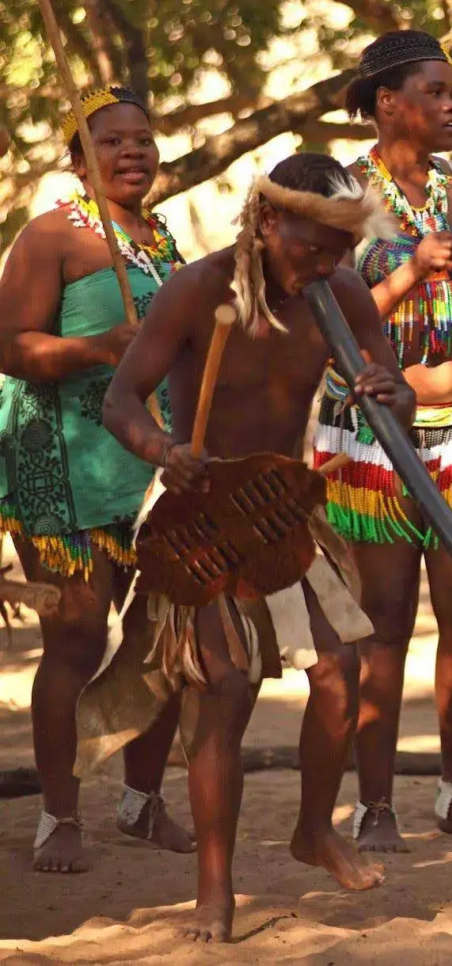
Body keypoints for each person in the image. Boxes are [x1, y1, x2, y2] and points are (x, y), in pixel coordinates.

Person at [89, 153, 412, 941]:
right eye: (314, 245)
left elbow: (390, 384)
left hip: (283, 512)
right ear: (269, 222)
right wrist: (163, 450)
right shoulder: (198, 291)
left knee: (341, 671)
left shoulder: (338, 293)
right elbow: (120, 399)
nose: (328, 262)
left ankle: (313, 830)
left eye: (341, 248)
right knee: (225, 690)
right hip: (201, 515)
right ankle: (214, 888)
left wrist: (387, 392)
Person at [316, 30, 452, 852]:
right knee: (384, 622)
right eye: (436, 93)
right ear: (385, 105)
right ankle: (375, 805)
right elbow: (328, 308)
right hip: (372, 435)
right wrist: (411, 269)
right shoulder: (344, 192)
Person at [0, 85, 194, 874]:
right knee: (77, 640)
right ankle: (58, 815)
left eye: (143, 140)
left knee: (166, 634)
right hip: (64, 465)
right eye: (111, 142)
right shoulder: (52, 237)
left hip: (152, 462)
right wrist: (99, 347)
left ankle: (142, 802)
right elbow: (10, 349)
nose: (132, 154)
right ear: (76, 161)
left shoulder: (161, 241)